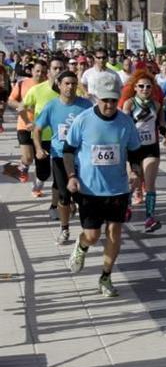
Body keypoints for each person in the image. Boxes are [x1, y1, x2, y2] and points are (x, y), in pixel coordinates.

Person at [64, 73, 140, 297]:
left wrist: (135, 171)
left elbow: (135, 151)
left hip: (118, 189)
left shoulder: (126, 122)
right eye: (105, 99)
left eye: (113, 100)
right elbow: (68, 150)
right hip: (89, 188)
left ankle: (105, 277)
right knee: (93, 235)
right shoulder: (84, 119)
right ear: (97, 98)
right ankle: (81, 245)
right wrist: (71, 175)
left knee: (115, 232)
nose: (109, 104)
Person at [33, 71, 92, 244]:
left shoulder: (86, 105)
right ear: (59, 85)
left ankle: (87, 230)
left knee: (84, 196)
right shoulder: (51, 106)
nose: (70, 87)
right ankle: (64, 229)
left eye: (74, 83)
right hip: (59, 156)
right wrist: (38, 148)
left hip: (81, 157)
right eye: (66, 83)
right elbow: (36, 129)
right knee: (64, 195)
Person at [122, 70, 165, 232]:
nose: (145, 89)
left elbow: (161, 123)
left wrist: (165, 133)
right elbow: (124, 124)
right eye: (141, 86)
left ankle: (149, 218)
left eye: (148, 86)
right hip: (133, 148)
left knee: (150, 183)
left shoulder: (157, 104)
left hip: (150, 148)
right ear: (135, 87)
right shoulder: (130, 103)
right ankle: (126, 205)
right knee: (133, 181)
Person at [24, 55, 64, 201]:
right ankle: (38, 183)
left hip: (62, 138)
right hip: (42, 136)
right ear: (49, 71)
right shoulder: (37, 90)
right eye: (55, 68)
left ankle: (59, 202)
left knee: (61, 171)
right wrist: (28, 121)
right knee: (44, 172)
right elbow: (22, 106)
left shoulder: (68, 88)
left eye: (61, 68)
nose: (58, 71)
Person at [9, 59, 46, 185]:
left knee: (41, 159)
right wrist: (23, 106)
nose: (40, 74)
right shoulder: (22, 84)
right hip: (24, 124)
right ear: (31, 71)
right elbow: (11, 101)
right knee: (28, 157)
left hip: (42, 127)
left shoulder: (50, 86)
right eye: (37, 71)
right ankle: (22, 167)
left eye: (43, 72)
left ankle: (37, 186)